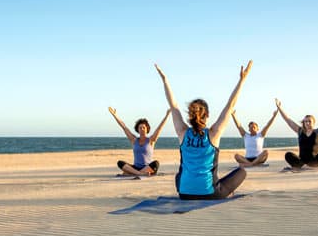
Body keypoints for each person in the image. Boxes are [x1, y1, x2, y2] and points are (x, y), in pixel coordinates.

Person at [156, 61, 252, 200]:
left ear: (190, 116)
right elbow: (230, 106)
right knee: (241, 172)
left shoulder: (182, 132)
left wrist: (165, 80)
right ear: (207, 115)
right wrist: (242, 80)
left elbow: (173, 105)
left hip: (184, 194)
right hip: (210, 193)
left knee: (180, 175)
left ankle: (191, 187)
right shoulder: (214, 133)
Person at [276, 98, 318, 169]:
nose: (307, 123)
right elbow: (288, 120)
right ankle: (303, 166)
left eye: (309, 121)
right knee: (288, 155)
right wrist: (279, 108)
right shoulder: (300, 131)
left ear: (313, 122)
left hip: (314, 160)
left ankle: (313, 166)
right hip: (301, 161)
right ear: (303, 123)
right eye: (305, 121)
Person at [108, 107, 171, 176]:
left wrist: (167, 115)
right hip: (136, 168)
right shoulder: (134, 140)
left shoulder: (151, 140)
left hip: (148, 167)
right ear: (137, 129)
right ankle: (140, 173)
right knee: (120, 163)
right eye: (140, 128)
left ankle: (132, 173)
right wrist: (115, 115)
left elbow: (159, 128)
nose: (142, 129)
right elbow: (124, 127)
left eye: (144, 127)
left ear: (147, 129)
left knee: (156, 163)